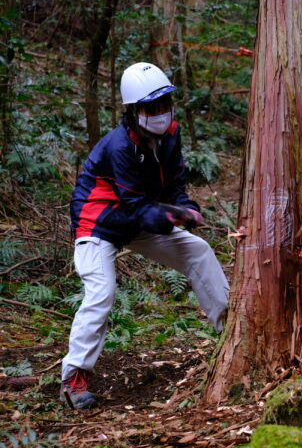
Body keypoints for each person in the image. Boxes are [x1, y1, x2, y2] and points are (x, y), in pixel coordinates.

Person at [60, 62, 230, 409]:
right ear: (134, 111)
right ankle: (74, 379)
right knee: (101, 292)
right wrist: (174, 215)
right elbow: (136, 206)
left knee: (198, 251)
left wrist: (186, 207)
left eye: (165, 104)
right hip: (100, 223)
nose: (160, 113)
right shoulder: (119, 146)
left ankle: (231, 333)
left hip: (139, 218)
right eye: (151, 108)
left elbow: (176, 183)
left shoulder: (171, 135)